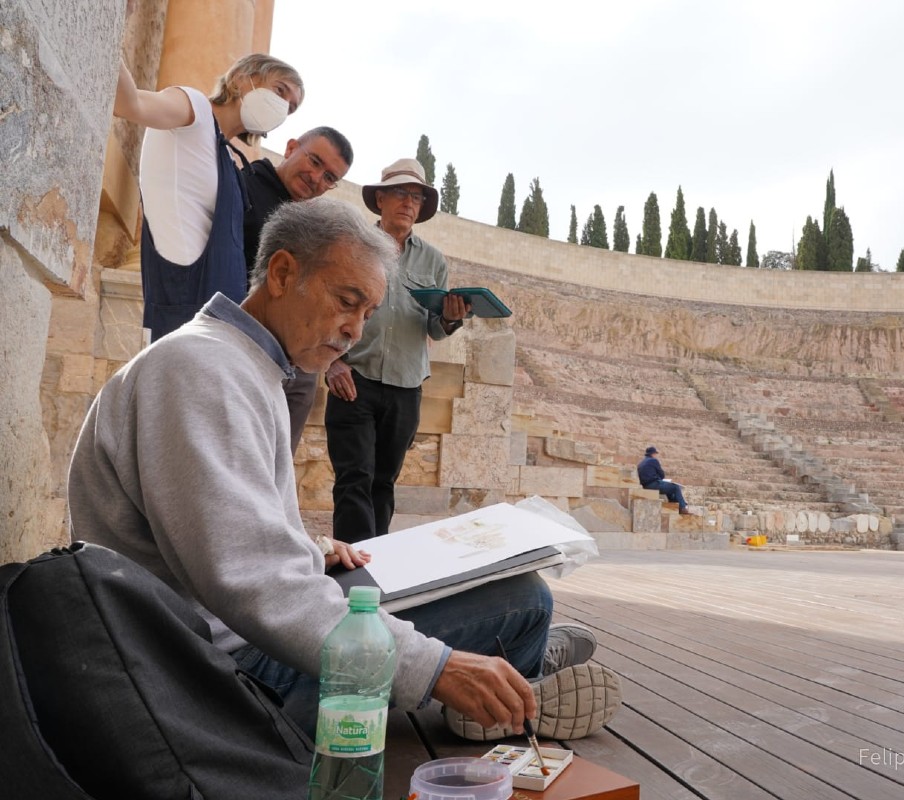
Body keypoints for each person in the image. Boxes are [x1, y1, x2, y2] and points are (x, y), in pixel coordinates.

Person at [67, 198, 619, 742]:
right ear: (283, 273)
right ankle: (510, 685)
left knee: (473, 587)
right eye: (346, 301)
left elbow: (218, 540)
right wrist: (440, 668)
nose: (355, 330)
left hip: (219, 643)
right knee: (521, 601)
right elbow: (251, 582)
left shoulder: (235, 363)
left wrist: (309, 549)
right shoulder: (202, 370)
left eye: (367, 314)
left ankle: (508, 675)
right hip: (221, 682)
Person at [324, 157, 468, 542]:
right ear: (381, 199)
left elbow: (434, 327)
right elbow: (325, 308)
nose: (409, 202)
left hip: (406, 385)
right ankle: (354, 575)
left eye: (417, 197)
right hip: (354, 379)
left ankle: (376, 568)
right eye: (401, 193)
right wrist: (333, 363)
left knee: (384, 483)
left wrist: (452, 318)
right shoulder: (352, 248)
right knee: (354, 478)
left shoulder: (434, 261)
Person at [113, 53, 303, 341]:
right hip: (183, 301)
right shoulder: (194, 107)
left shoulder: (228, 156)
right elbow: (129, 104)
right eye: (280, 90)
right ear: (241, 78)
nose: (283, 106)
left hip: (220, 312)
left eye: (290, 107)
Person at [242, 126, 354, 453]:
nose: (317, 178)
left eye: (330, 177)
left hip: (298, 366)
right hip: (247, 349)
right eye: (315, 161)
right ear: (291, 147)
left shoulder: (311, 223)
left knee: (278, 463)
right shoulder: (244, 187)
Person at [637, 446, 693, 515]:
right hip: (653, 484)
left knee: (669, 489)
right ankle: (683, 508)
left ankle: (676, 506)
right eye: (655, 454)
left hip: (645, 485)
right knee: (675, 487)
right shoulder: (653, 460)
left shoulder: (641, 463)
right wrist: (658, 477)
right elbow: (662, 474)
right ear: (653, 454)